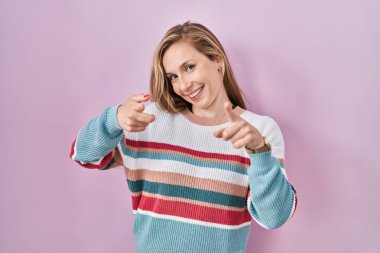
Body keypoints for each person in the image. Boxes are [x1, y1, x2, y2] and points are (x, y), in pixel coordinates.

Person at [70, 21, 298, 253]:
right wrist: (114, 119)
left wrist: (259, 151)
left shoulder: (260, 130)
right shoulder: (152, 121)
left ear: (217, 60)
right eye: (173, 77)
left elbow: (274, 217)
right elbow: (83, 154)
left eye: (189, 67)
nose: (184, 85)